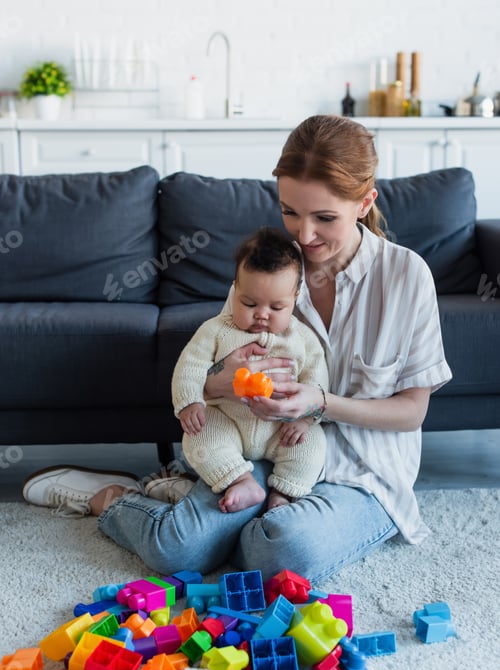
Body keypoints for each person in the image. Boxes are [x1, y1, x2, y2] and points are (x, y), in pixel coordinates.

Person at [22, 114, 452, 585]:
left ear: (364, 202)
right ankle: (112, 497)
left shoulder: (406, 277)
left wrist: (321, 403)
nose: (304, 235)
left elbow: (412, 412)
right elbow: (213, 366)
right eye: (290, 211)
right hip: (264, 453)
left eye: (324, 218)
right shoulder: (271, 270)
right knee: (178, 548)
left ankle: (195, 503)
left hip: (364, 477)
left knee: (283, 550)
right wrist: (216, 383)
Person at [171, 227, 328, 513]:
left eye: (277, 306)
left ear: (295, 297)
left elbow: (317, 382)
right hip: (227, 420)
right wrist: (190, 401)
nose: (261, 314)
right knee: (198, 436)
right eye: (249, 303)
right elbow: (189, 365)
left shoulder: (302, 339)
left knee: (312, 445)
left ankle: (283, 493)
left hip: (280, 428)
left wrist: (305, 420)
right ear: (235, 289)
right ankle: (240, 480)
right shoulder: (216, 330)